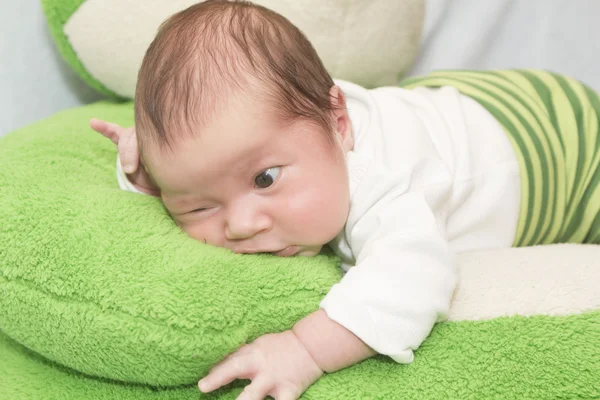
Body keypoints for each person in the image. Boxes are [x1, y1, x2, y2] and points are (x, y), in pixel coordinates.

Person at [91, 1, 600, 399]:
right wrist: (139, 173)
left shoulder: (383, 186)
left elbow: (416, 276)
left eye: (265, 178)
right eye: (200, 206)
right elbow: (187, 175)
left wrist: (304, 349)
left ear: (339, 122)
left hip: (561, 148)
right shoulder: (296, 134)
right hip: (467, 102)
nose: (241, 224)